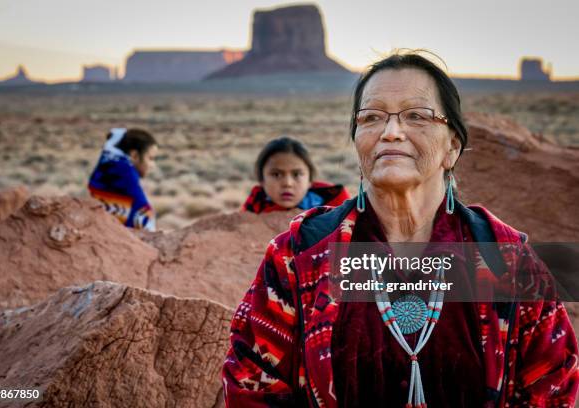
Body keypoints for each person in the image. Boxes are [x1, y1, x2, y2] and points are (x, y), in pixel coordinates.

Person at [222, 53, 579, 407]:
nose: (391, 133)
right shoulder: (299, 256)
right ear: (358, 141)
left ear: (452, 147)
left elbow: (553, 385)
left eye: (416, 116)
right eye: (372, 117)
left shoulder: (506, 260)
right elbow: (252, 384)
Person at [242, 136, 350, 213]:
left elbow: (361, 244)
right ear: (262, 180)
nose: (287, 184)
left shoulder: (335, 201)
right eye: (276, 174)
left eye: (297, 174)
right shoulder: (256, 201)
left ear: (310, 181)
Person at [88, 127, 157, 231]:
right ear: (134, 155)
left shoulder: (108, 167)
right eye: (150, 158)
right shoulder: (126, 174)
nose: (153, 165)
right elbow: (143, 216)